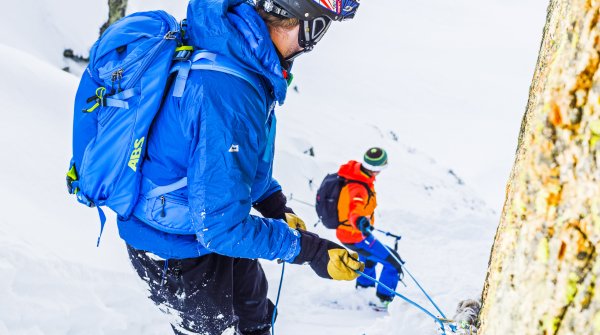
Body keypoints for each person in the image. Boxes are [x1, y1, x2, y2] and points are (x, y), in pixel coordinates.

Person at [116, 0, 363, 334]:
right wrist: (312, 251)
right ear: (305, 22)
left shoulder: (241, 57)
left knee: (255, 315)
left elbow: (233, 165)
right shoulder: (229, 88)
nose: (314, 44)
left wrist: (274, 205)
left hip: (204, 223)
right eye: (322, 26)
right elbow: (222, 229)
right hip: (176, 246)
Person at [335, 147, 404, 311]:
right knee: (394, 264)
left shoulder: (357, 175)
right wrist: (360, 221)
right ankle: (383, 300)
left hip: (352, 233)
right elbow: (355, 209)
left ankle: (364, 291)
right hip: (355, 234)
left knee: (370, 258)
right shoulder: (358, 186)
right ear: (377, 168)